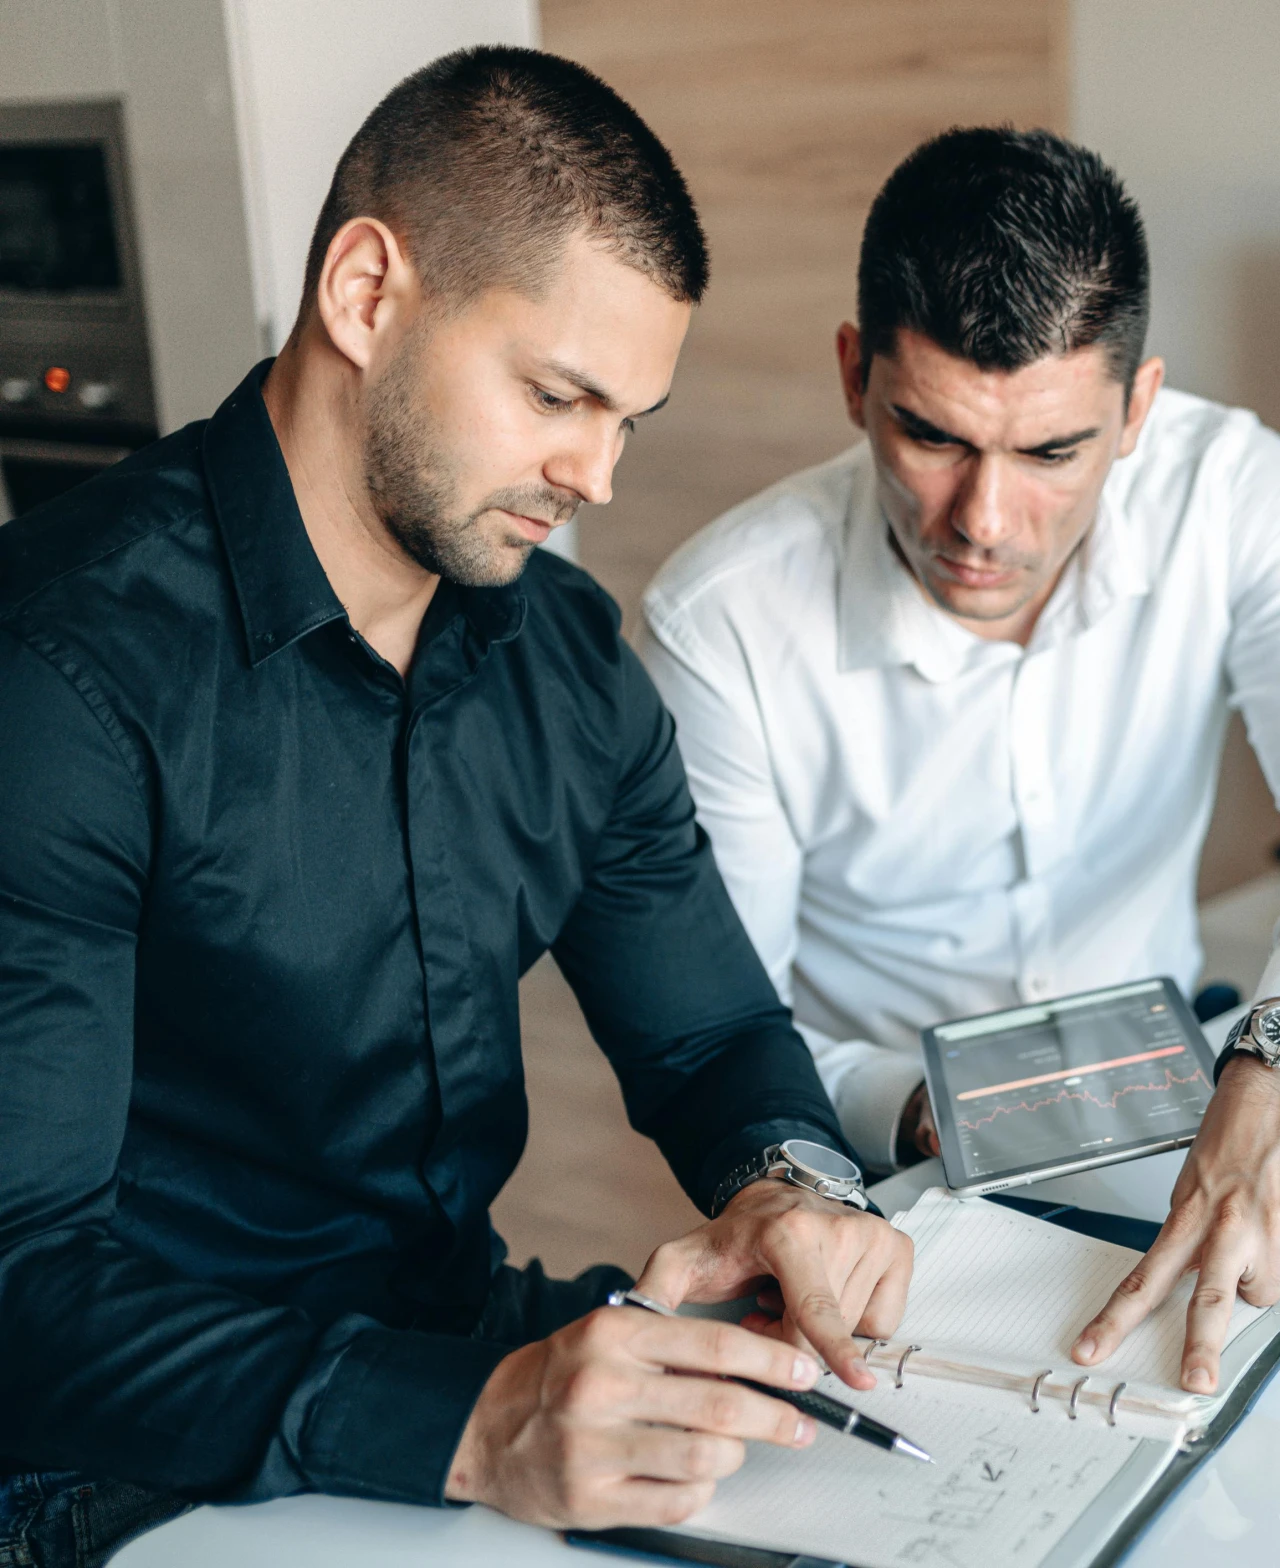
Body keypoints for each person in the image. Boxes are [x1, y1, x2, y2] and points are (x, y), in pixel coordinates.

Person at [0, 48, 911, 1564]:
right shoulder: (57, 677)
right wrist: (483, 1424)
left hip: (451, 1340)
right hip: (121, 1460)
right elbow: (19, 1280)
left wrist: (787, 1186)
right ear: (367, 293)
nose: (598, 475)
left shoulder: (564, 662)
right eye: (559, 395)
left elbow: (708, 1035)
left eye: (631, 418)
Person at [642, 128, 1280, 1400]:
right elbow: (721, 1024)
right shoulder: (721, 621)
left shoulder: (1229, 488)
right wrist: (923, 1110)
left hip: (1202, 1118)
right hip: (885, 1180)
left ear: (1136, 407)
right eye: (932, 436)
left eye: (1050, 453)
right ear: (856, 375)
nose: (982, 520)